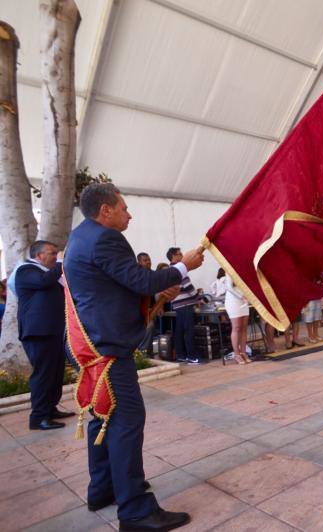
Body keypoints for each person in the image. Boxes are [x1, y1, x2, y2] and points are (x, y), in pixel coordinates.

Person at [64, 183, 203, 529]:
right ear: (106, 210)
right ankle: (136, 511)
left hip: (94, 343)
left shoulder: (82, 237)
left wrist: (156, 286)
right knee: (126, 422)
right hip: (107, 346)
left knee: (105, 419)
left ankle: (104, 489)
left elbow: (118, 285)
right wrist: (182, 267)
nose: (130, 213)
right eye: (124, 208)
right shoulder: (104, 238)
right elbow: (136, 279)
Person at [11, 240, 70, 431]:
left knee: (55, 372)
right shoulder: (26, 270)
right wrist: (61, 263)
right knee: (44, 374)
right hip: (38, 332)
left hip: (53, 331)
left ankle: (50, 408)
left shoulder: (48, 272)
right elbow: (44, 283)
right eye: (52, 253)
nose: (56, 256)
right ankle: (38, 417)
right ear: (39, 256)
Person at [166, 247, 201, 364]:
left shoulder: (170, 270)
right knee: (188, 331)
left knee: (180, 331)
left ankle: (181, 355)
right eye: (179, 254)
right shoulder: (180, 269)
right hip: (185, 304)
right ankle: (192, 356)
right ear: (173, 257)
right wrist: (199, 299)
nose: (182, 256)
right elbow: (188, 286)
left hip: (177, 304)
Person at [224, 274, 251, 364]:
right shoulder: (229, 269)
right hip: (234, 300)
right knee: (237, 327)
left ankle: (243, 352)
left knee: (244, 327)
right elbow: (229, 287)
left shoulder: (244, 269)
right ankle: (237, 354)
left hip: (244, 299)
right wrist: (241, 297)